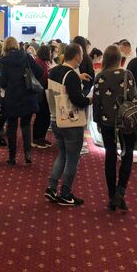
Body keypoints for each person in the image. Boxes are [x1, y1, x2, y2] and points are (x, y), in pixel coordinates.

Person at [93, 45, 137, 212]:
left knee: (110, 156)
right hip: (126, 121)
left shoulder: (100, 77)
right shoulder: (128, 75)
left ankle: (112, 195)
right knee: (127, 155)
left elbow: (96, 102)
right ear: (120, 59)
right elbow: (134, 98)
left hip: (107, 122)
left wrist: (97, 121)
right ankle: (121, 191)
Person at [45, 43, 92, 206]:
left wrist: (78, 78)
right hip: (70, 122)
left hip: (55, 119)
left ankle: (51, 188)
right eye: (82, 53)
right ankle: (65, 193)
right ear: (77, 56)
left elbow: (62, 86)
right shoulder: (71, 75)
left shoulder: (54, 71)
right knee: (72, 157)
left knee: (63, 154)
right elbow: (77, 100)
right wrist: (90, 100)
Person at [0, 37, 44, 165]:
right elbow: (40, 72)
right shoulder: (26, 57)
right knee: (26, 125)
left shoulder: (4, 62)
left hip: (12, 97)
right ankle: (27, 153)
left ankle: (12, 156)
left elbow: (3, 82)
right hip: (28, 96)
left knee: (12, 126)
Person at [31, 45, 54, 148]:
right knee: (41, 116)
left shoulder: (41, 62)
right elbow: (43, 77)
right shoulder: (39, 62)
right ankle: (37, 139)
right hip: (40, 93)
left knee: (44, 116)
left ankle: (41, 137)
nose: (51, 54)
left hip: (42, 92)